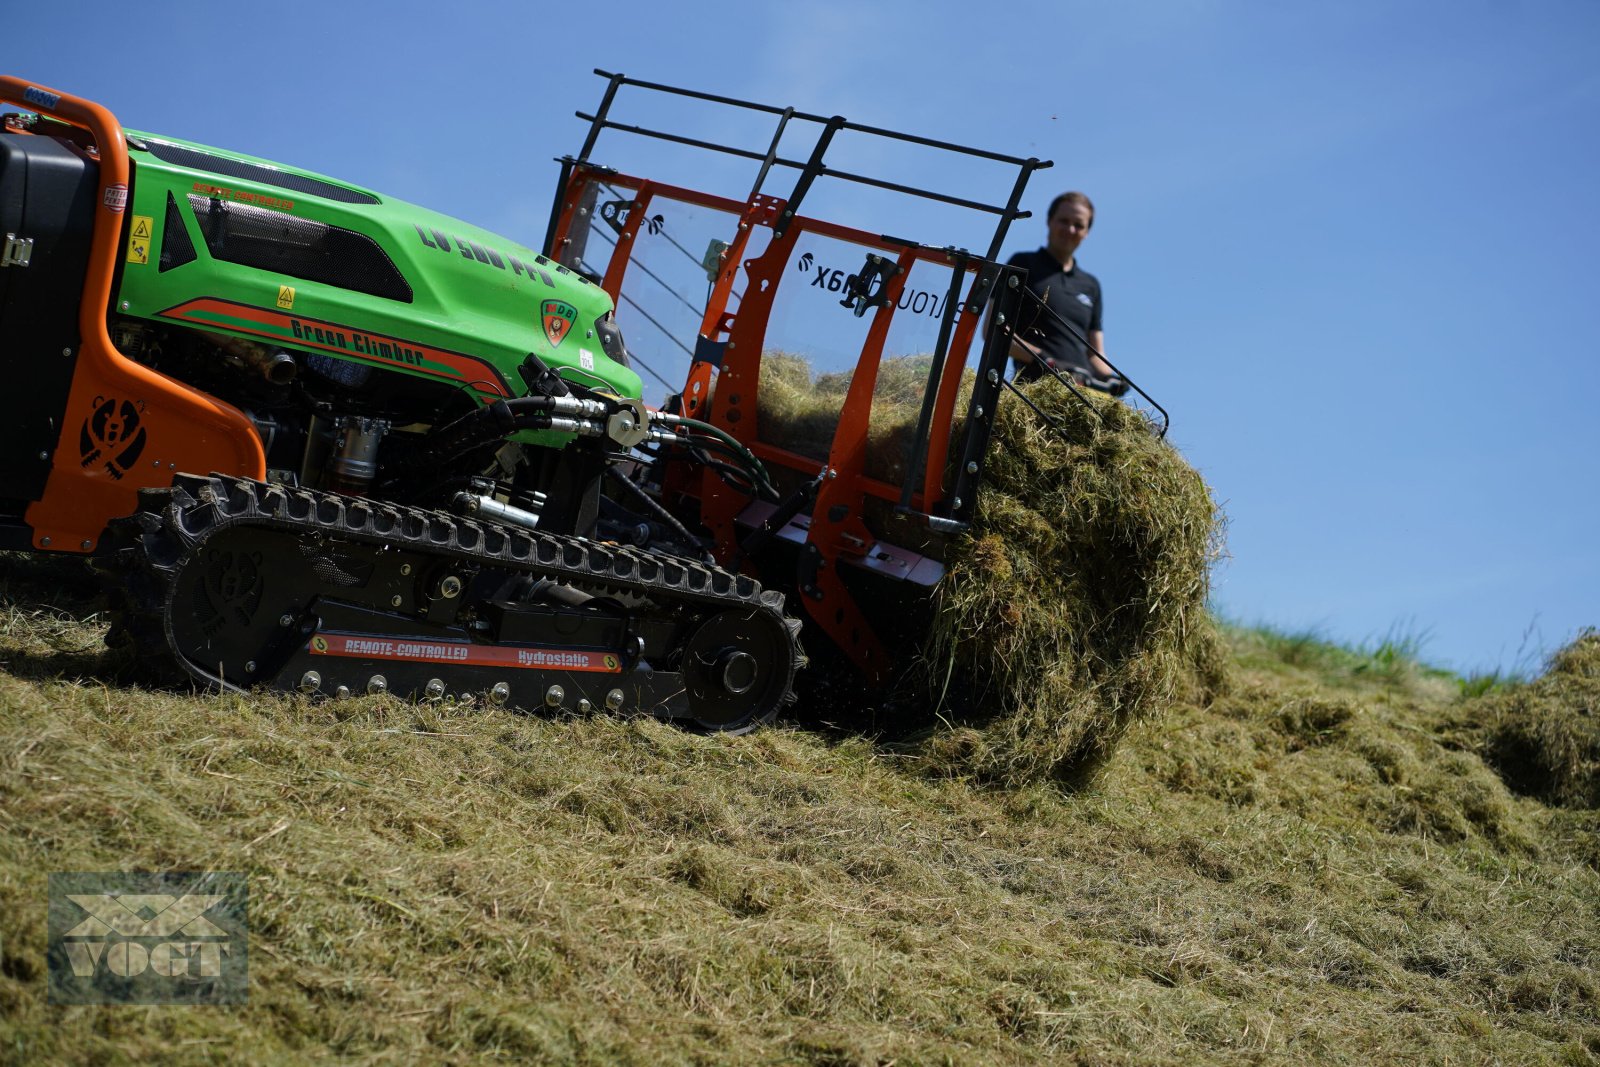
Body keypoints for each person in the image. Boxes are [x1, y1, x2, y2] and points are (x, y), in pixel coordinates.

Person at [1001, 191, 1118, 388]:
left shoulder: (1090, 285)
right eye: (1063, 221)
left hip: (1082, 394)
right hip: (1034, 390)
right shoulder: (1022, 265)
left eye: (1079, 225)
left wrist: (1113, 378)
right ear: (1049, 221)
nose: (1070, 229)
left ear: (1086, 232)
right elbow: (994, 331)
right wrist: (1044, 360)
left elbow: (1096, 354)